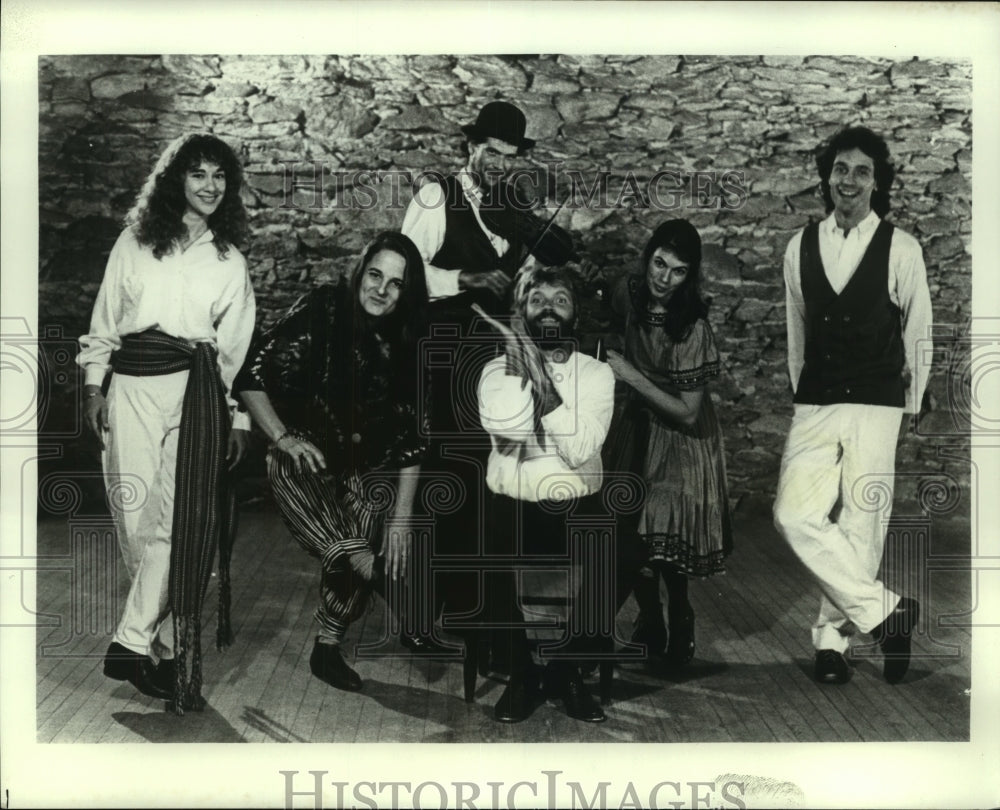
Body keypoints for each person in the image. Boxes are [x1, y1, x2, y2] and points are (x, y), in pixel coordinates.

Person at [78, 133, 256, 711]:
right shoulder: (134, 242)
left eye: (220, 176)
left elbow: (234, 353)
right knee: (136, 523)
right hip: (131, 386)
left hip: (196, 395)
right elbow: (106, 318)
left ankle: (132, 644)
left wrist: (236, 418)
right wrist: (94, 384)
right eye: (198, 173)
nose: (210, 185)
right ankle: (160, 649)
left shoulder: (230, 261)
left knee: (179, 523)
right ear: (175, 179)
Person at [400, 100, 577, 658]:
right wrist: (465, 278)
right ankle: (426, 614)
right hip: (444, 361)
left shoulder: (512, 210)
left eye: (509, 157)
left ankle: (478, 613)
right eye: (491, 154)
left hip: (492, 365)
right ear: (471, 148)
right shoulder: (436, 197)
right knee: (447, 483)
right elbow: (403, 272)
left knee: (488, 484)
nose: (500, 165)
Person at [233, 231, 431, 692]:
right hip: (303, 459)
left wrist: (402, 519)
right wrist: (282, 436)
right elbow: (250, 375)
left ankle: (328, 646)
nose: (381, 290)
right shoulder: (323, 308)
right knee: (352, 546)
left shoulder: (409, 340)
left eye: (396, 284)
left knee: (370, 516)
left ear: (407, 293)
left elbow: (412, 439)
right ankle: (387, 584)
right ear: (360, 273)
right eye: (375, 275)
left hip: (360, 467)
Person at [772, 126, 933, 685]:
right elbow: (796, 328)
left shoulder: (902, 248)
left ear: (877, 182)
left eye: (862, 171)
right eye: (841, 169)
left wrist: (910, 403)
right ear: (827, 177)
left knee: (862, 523)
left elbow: (919, 330)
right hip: (817, 398)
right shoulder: (799, 247)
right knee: (794, 514)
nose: (849, 180)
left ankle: (832, 641)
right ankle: (888, 613)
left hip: (875, 403)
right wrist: (802, 389)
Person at [477, 266, 615, 723]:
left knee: (616, 554)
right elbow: (511, 431)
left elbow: (579, 448)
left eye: (561, 300)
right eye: (537, 300)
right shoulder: (494, 371)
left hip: (576, 506)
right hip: (512, 507)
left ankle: (566, 671)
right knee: (491, 546)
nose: (549, 308)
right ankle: (522, 675)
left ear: (576, 314)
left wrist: (536, 372)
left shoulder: (597, 373)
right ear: (522, 314)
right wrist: (530, 368)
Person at [605, 219, 733, 668]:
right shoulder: (630, 293)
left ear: (689, 276)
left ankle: (680, 616)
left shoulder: (691, 326)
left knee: (665, 533)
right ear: (648, 258)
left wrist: (630, 376)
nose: (664, 278)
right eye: (659, 263)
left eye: (678, 271)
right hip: (638, 426)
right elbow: (606, 299)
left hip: (681, 436)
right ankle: (650, 618)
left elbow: (689, 412)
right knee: (631, 529)